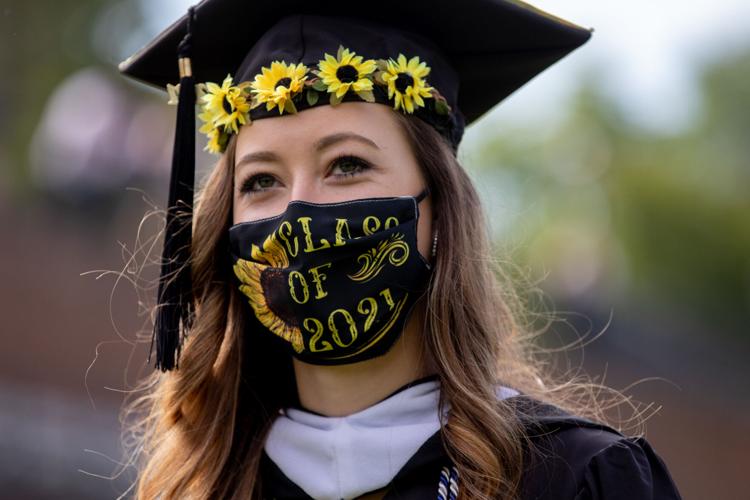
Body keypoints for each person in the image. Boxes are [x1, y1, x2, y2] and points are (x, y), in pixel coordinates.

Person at [118, 1, 683, 499]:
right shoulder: (201, 485)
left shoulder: (573, 480)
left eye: (347, 166)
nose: (298, 213)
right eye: (262, 180)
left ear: (440, 211)